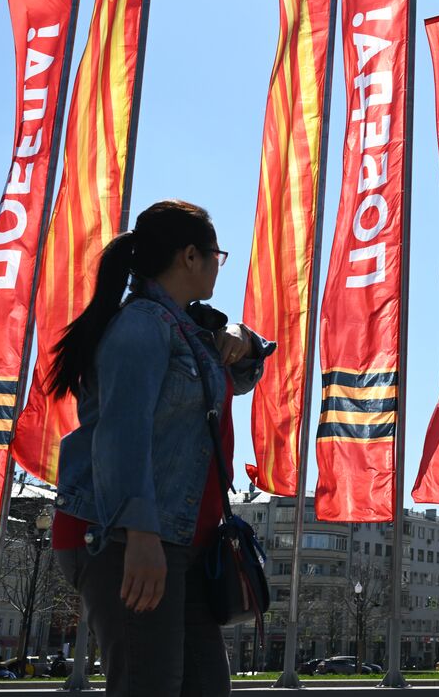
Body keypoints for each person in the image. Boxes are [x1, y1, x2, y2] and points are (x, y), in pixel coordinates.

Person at [49, 201, 274, 697]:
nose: (219, 264)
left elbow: (237, 372)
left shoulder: (186, 329)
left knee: (207, 685)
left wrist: (241, 335)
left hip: (180, 542)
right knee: (148, 684)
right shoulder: (142, 327)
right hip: (126, 537)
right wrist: (141, 535)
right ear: (190, 257)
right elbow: (121, 436)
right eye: (217, 254)